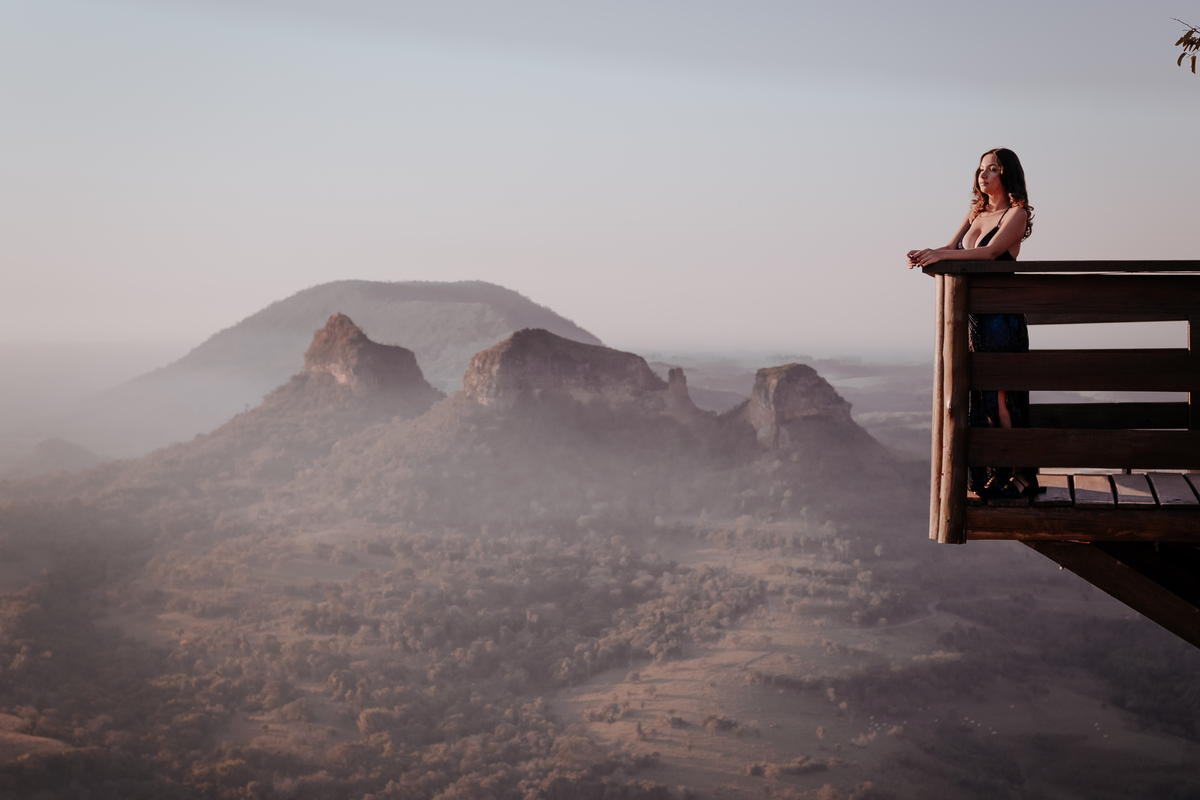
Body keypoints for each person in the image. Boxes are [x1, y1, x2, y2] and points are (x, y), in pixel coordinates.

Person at [907, 148, 1037, 499]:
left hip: (1001, 316)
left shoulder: (1016, 213)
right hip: (975, 318)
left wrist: (944, 254)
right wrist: (925, 254)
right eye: (981, 169)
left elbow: (989, 254)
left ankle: (1024, 474)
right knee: (980, 400)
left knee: (1001, 399)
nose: (984, 175)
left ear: (1006, 174)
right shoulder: (974, 212)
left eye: (993, 169)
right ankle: (998, 471)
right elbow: (951, 247)